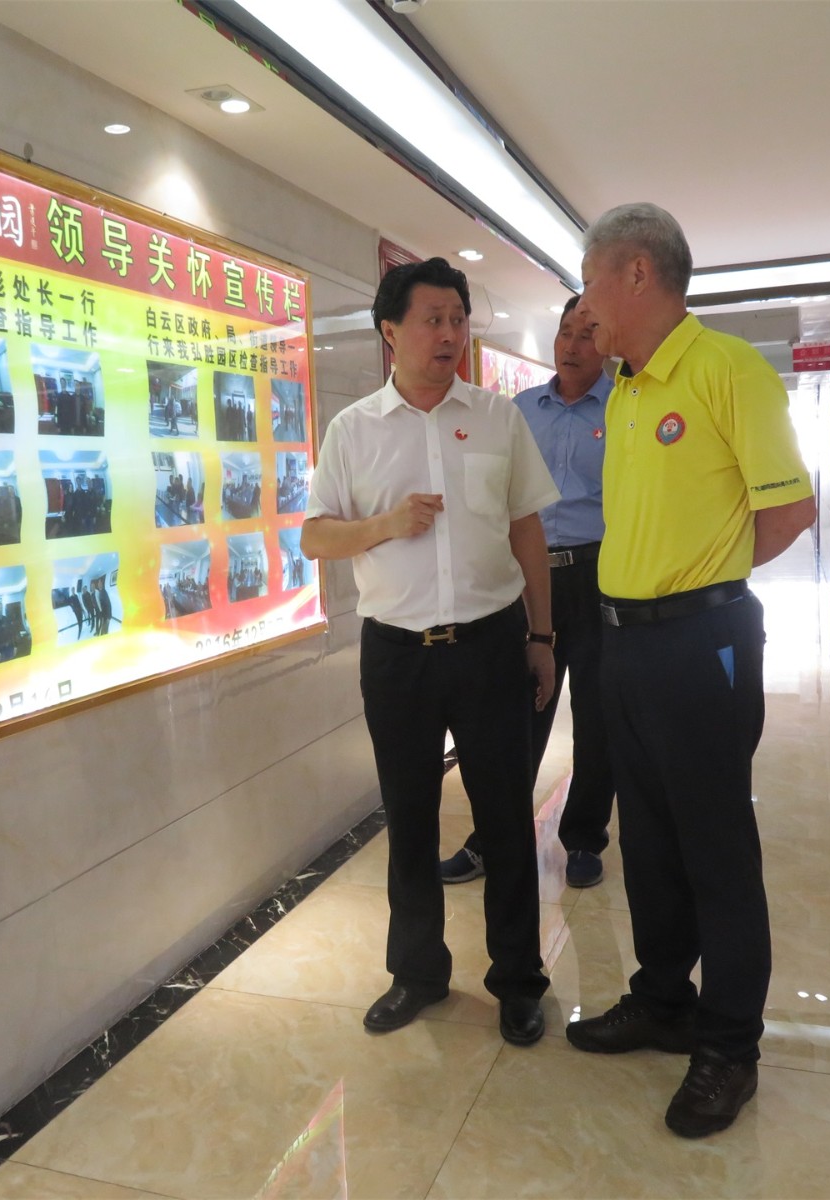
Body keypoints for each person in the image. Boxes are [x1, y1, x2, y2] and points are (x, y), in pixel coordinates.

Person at [563, 203, 815, 1138]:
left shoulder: (728, 369)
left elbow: (788, 511)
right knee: (648, 838)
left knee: (715, 847)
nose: (583, 306)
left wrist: (704, 580)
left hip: (699, 643)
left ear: (636, 272)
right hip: (624, 644)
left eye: (589, 281)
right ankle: (663, 1000)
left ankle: (729, 1047)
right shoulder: (626, 388)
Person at [301, 257, 558, 1048]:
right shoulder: (353, 430)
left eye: (458, 319)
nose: (449, 334)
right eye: (432, 320)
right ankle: (417, 973)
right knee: (409, 816)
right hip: (398, 656)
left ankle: (519, 980)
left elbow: (527, 528)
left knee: (506, 819)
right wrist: (384, 525)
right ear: (391, 332)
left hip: (489, 644)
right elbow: (315, 536)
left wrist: (541, 637)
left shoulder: (497, 418)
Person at [439, 295, 617, 891]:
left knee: (597, 714)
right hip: (529, 578)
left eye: (587, 334)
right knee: (518, 714)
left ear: (606, 343)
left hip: (599, 576)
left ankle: (584, 837)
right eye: (565, 332)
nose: (571, 345)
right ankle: (493, 838)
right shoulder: (517, 411)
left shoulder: (624, 408)